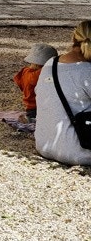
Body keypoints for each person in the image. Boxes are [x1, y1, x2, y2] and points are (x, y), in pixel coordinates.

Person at [35, 20, 91, 166]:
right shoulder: (87, 72)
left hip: (45, 145)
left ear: (73, 38)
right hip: (79, 151)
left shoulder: (50, 64)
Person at [16, 43, 58, 121]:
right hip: (35, 107)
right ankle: (31, 119)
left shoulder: (25, 71)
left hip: (33, 106)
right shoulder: (35, 75)